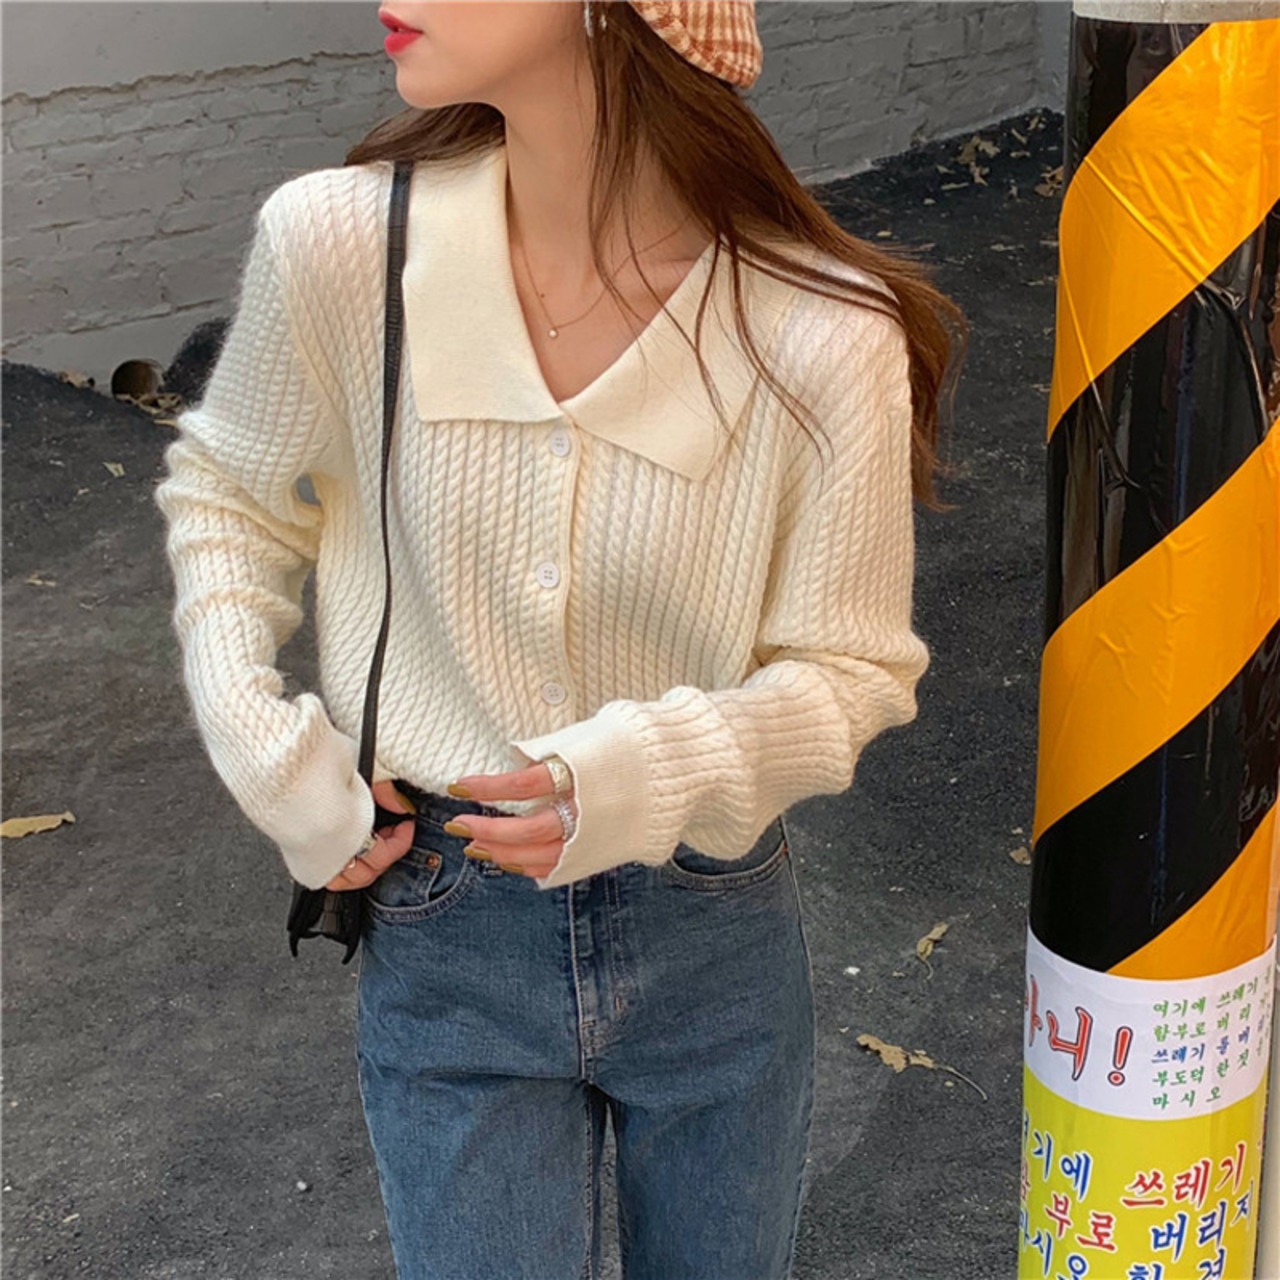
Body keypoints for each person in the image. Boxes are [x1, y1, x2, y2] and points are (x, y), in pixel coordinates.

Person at [154, 1, 967, 1276]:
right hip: (442, 919)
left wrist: (651, 768)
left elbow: (850, 672)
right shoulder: (341, 245)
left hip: (708, 919)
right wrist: (270, 752)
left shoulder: (818, 328)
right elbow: (230, 499)